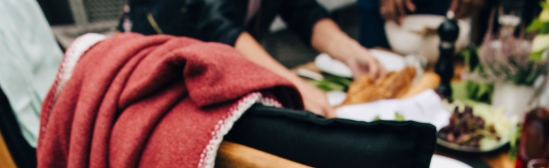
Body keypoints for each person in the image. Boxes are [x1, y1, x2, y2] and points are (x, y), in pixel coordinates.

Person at [118, 0, 384, 116]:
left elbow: (300, 8)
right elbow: (218, 25)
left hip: (215, 73)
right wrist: (292, 85)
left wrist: (348, 50)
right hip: (157, 77)